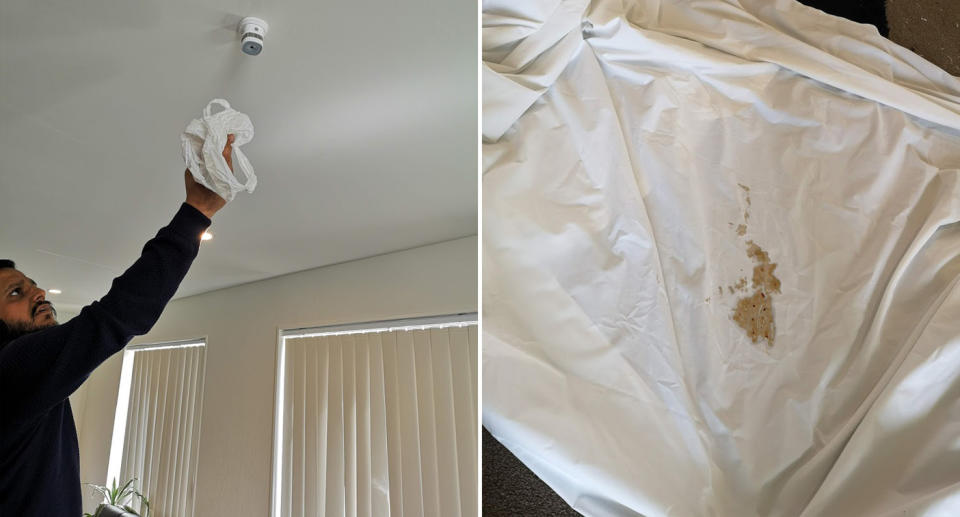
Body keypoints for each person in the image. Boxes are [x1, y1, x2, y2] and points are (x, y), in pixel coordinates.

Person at [0, 135, 236, 515]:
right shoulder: (11, 368)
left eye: (31, 283)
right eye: (16, 293)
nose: (39, 292)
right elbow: (115, 316)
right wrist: (197, 211)